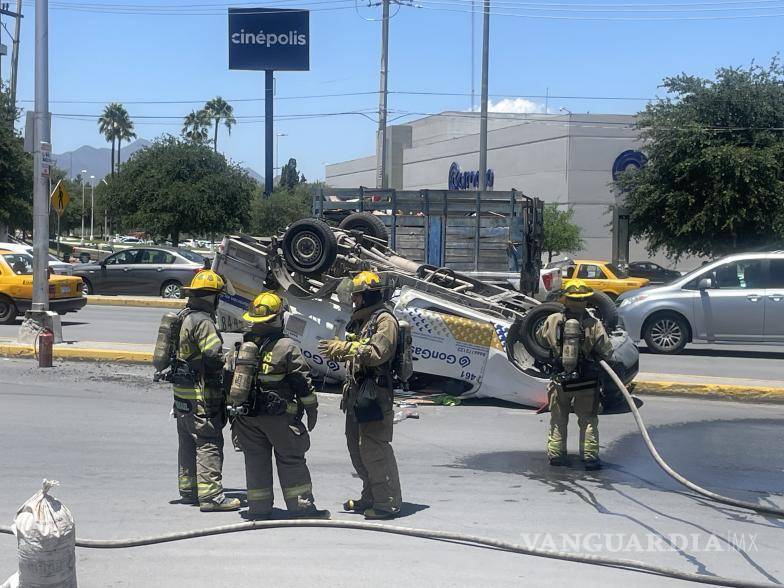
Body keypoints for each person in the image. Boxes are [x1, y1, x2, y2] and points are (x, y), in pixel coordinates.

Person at [228, 291, 330, 520]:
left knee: (255, 462)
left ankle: (259, 509)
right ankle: (301, 508)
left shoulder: (242, 346)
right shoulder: (286, 346)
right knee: (291, 459)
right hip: (278, 419)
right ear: (277, 318)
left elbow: (228, 380)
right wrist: (312, 410)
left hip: (246, 418)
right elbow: (302, 383)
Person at [319, 271, 402, 520]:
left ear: (368, 296)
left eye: (357, 297)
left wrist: (344, 349)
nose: (353, 302)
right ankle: (371, 495)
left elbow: (378, 352)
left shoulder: (385, 320)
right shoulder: (363, 320)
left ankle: (386, 502)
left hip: (375, 395)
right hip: (358, 394)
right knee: (356, 447)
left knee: (374, 449)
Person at [173, 270, 240, 512]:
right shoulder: (203, 321)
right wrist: (231, 360)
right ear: (212, 298)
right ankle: (211, 496)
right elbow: (212, 355)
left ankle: (189, 490)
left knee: (187, 441)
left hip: (182, 394)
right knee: (208, 440)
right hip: (201, 393)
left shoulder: (183, 316)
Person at [536, 280, 614, 471]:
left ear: (566, 300)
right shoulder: (594, 324)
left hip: (560, 380)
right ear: (586, 301)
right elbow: (607, 351)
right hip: (586, 383)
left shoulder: (553, 319)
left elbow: (539, 340)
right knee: (588, 419)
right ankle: (589, 457)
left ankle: (556, 455)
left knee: (558, 418)